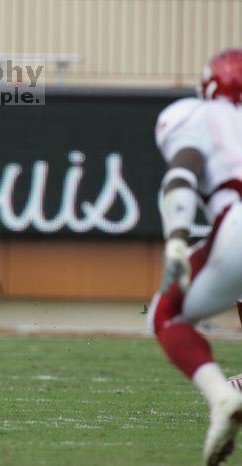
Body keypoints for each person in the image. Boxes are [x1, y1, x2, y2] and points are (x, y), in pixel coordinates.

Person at [147, 48, 242, 466]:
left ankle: (222, 397)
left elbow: (183, 172)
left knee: (165, 315)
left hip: (236, 219)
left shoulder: (196, 115)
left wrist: (177, 239)